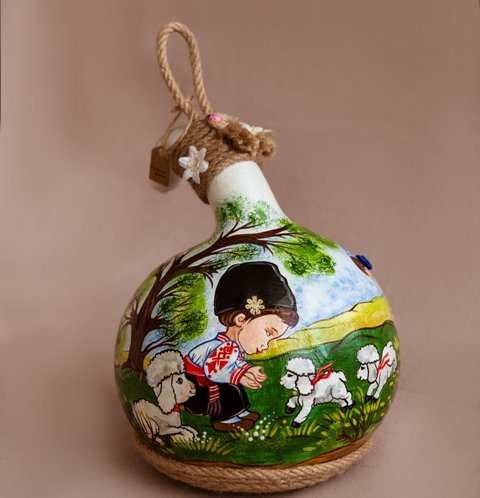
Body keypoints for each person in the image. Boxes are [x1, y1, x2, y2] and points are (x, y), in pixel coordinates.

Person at [183, 261, 299, 432]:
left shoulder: (232, 347)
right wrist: (240, 375)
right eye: (268, 333)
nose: (266, 345)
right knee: (229, 389)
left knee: (235, 385)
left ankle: (240, 412)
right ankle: (225, 420)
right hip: (196, 392)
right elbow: (215, 371)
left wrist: (246, 370)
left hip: (207, 386)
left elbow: (232, 364)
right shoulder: (222, 346)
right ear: (241, 319)